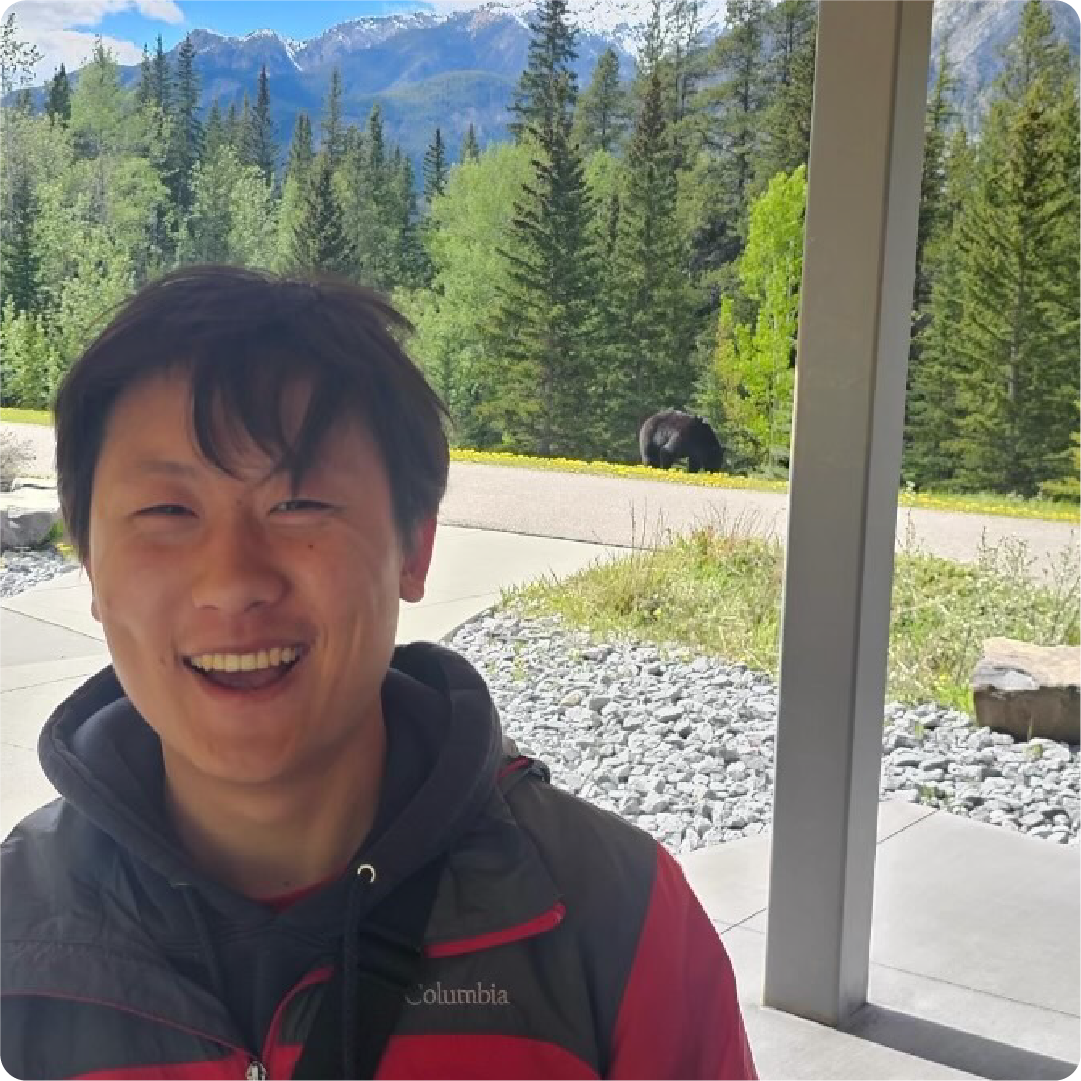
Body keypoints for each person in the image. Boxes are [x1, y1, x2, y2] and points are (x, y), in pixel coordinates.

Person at [0, 266, 758, 1081]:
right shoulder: (23, 924)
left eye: (299, 504)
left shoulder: (616, 922)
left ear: (414, 546)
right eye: (167, 511)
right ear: (89, 561)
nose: (232, 580)